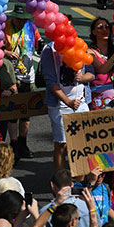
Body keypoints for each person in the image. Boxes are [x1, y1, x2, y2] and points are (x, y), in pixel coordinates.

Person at [40, 41, 92, 170]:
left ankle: (80, 179)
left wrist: (83, 77)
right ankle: (61, 180)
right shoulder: (50, 50)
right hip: (60, 106)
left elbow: (91, 73)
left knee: (82, 142)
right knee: (62, 144)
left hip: (81, 103)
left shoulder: (80, 45)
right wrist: (68, 102)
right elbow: (50, 82)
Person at [3, 5, 42, 158]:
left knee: (26, 111)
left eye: (23, 19)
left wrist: (40, 45)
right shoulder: (5, 27)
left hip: (28, 75)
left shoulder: (30, 26)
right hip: (11, 75)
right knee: (13, 111)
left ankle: (22, 142)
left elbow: (38, 42)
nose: (20, 22)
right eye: (18, 19)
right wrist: (6, 52)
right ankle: (13, 145)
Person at [86, 18, 114, 110]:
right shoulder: (90, 52)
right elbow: (102, 70)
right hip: (98, 96)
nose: (104, 30)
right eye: (100, 27)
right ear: (94, 32)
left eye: (107, 27)